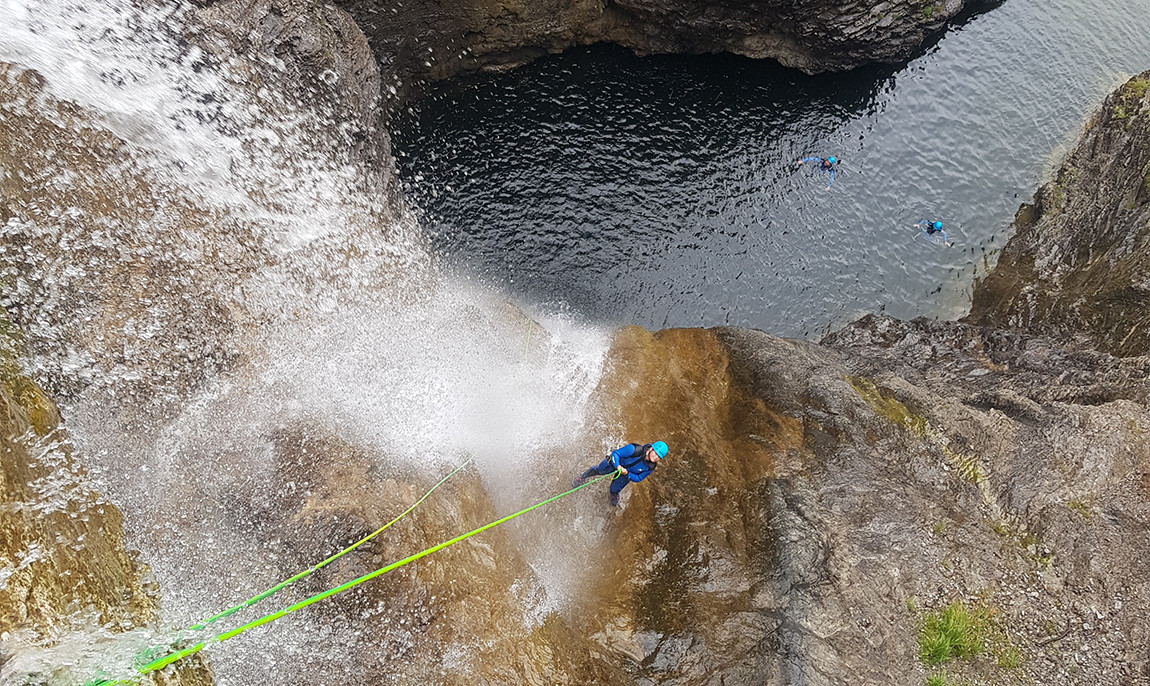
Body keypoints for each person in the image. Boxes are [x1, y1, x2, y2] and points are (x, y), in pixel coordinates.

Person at [572, 441, 668, 507]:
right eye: (656, 453)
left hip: (625, 474)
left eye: (659, 457)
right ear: (651, 449)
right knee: (599, 470)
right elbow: (616, 454)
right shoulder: (634, 449)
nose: (656, 457)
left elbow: (639, 478)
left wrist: (627, 473)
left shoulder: (650, 467)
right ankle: (582, 477)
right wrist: (617, 466)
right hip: (614, 463)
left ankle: (614, 494)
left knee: (614, 489)